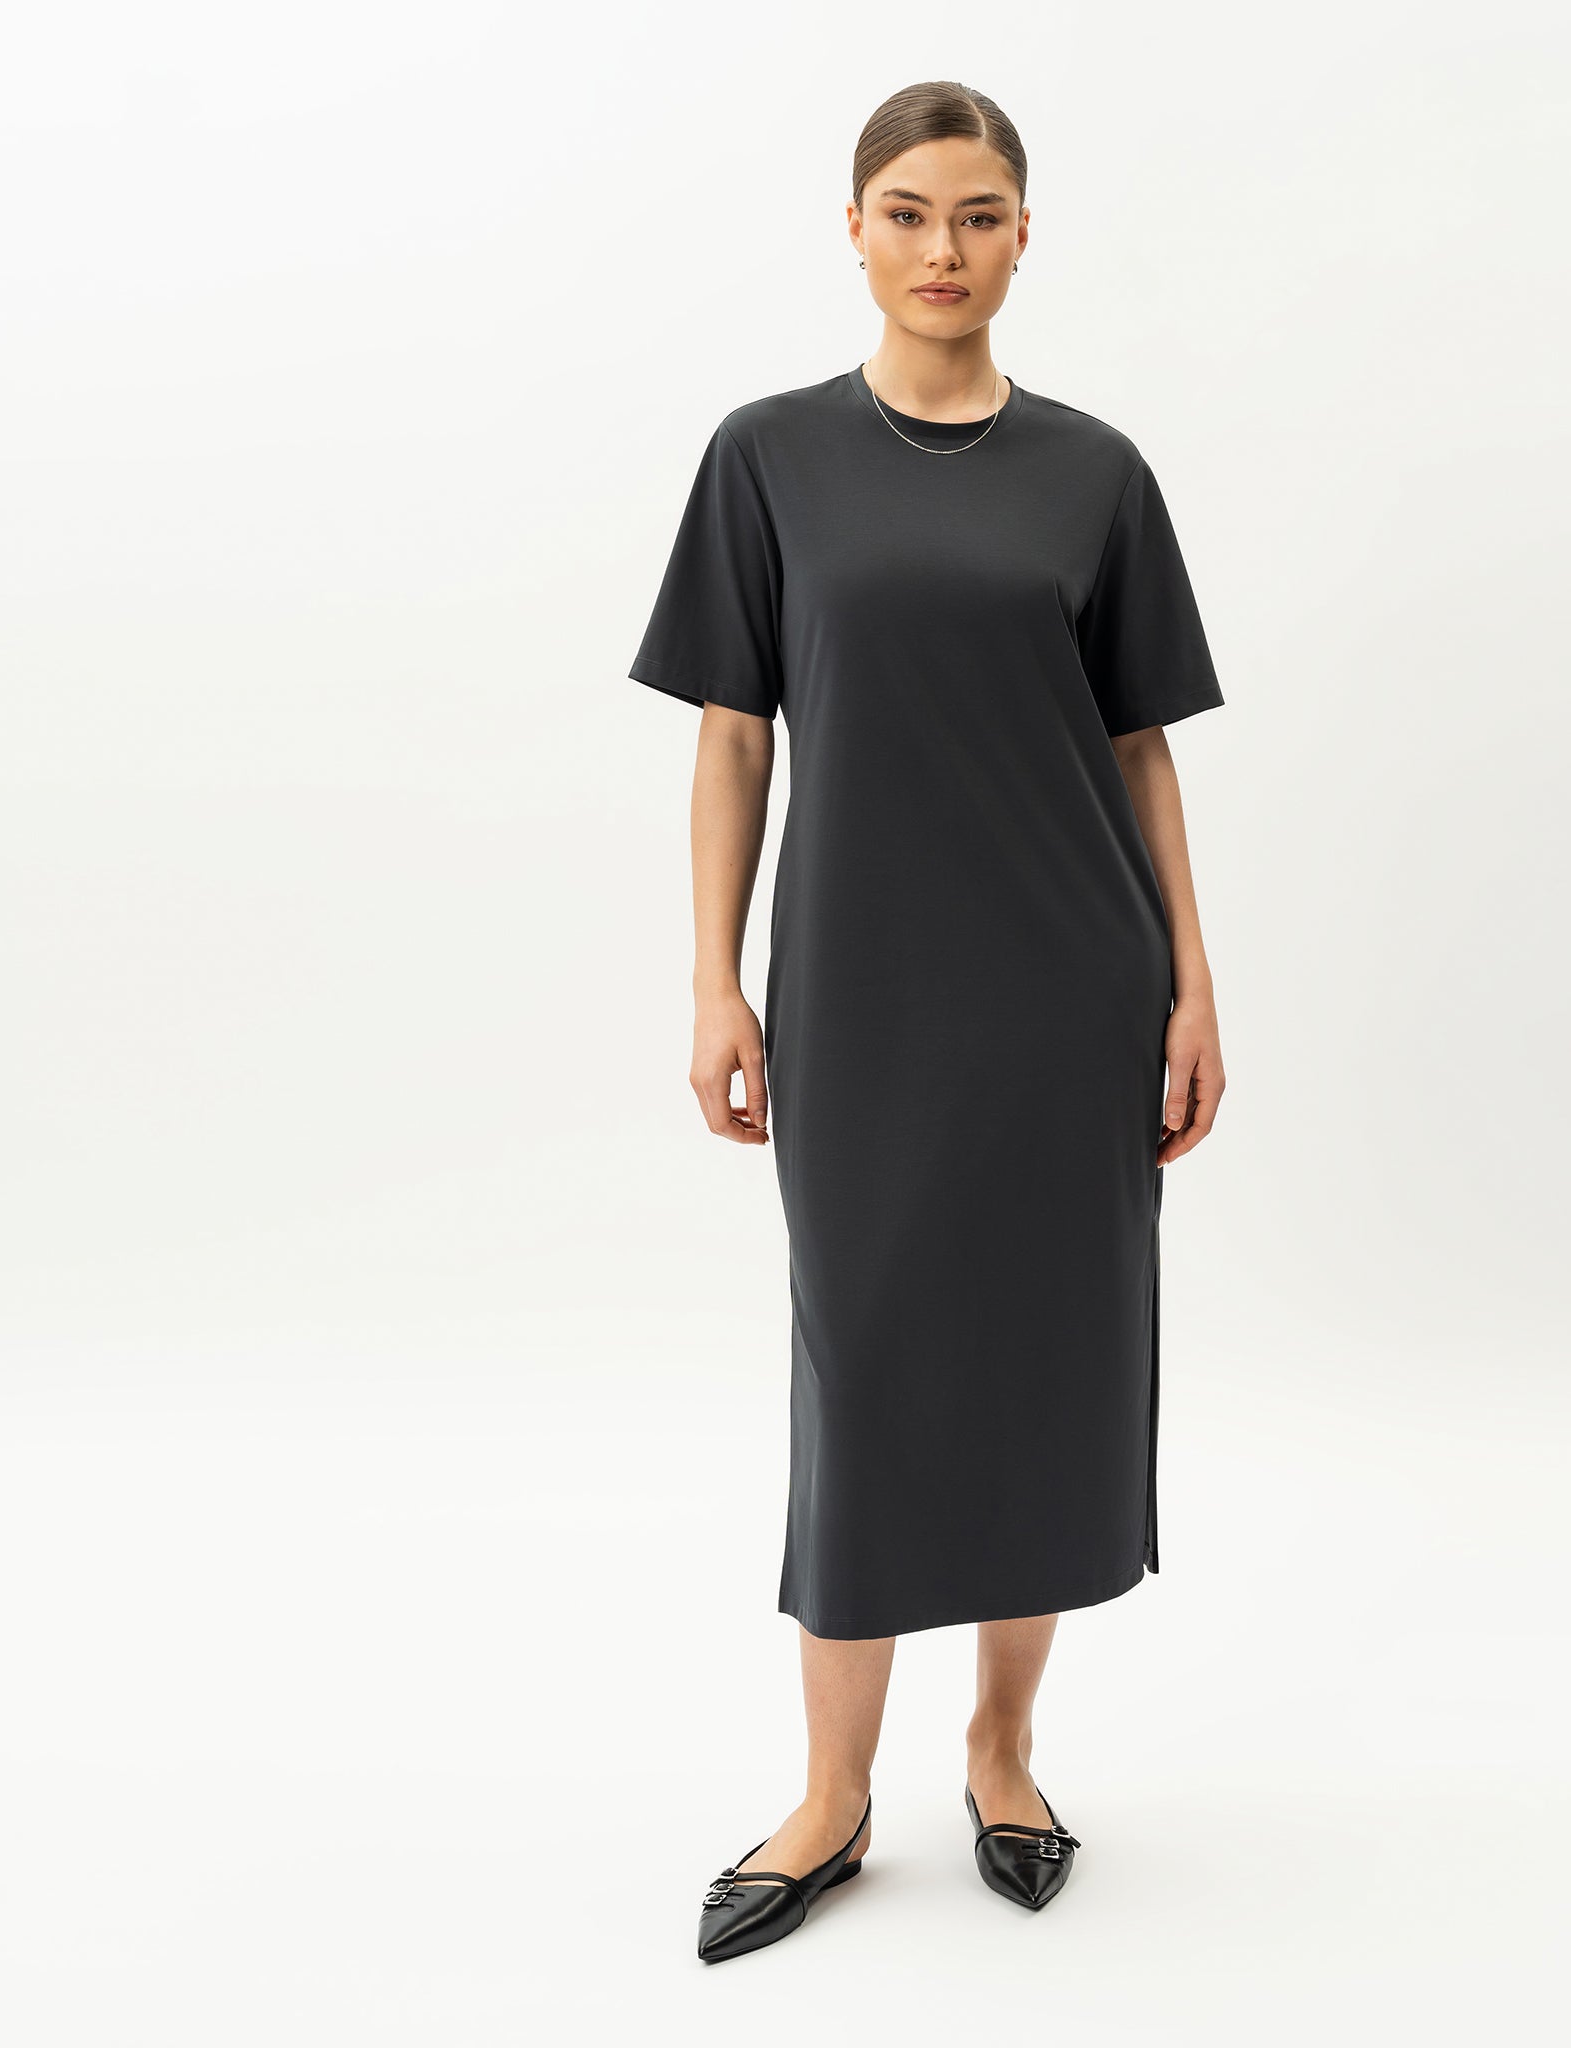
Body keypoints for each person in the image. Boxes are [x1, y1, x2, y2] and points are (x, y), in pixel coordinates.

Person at [629, 80, 1228, 1964]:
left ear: (1025, 234)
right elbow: (734, 738)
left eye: (977, 214)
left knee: (1045, 1365)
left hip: (1069, 995)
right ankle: (831, 1795)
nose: (943, 248)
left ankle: (1003, 1751)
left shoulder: (1096, 473)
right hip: (864, 998)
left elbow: (1137, 748)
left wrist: (1194, 984)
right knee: (868, 1370)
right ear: (857, 230)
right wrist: (715, 979)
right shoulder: (769, 457)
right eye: (908, 212)